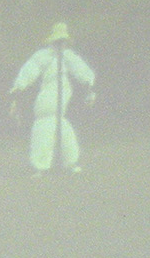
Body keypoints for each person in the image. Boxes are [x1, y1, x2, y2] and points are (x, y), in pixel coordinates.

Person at [10, 23, 96, 176]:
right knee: (45, 127)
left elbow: (81, 69)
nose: (60, 44)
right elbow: (30, 70)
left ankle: (71, 163)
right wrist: (19, 86)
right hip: (48, 98)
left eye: (63, 41)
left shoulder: (68, 56)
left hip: (63, 98)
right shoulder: (43, 56)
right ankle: (41, 166)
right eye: (58, 41)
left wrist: (88, 82)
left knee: (65, 131)